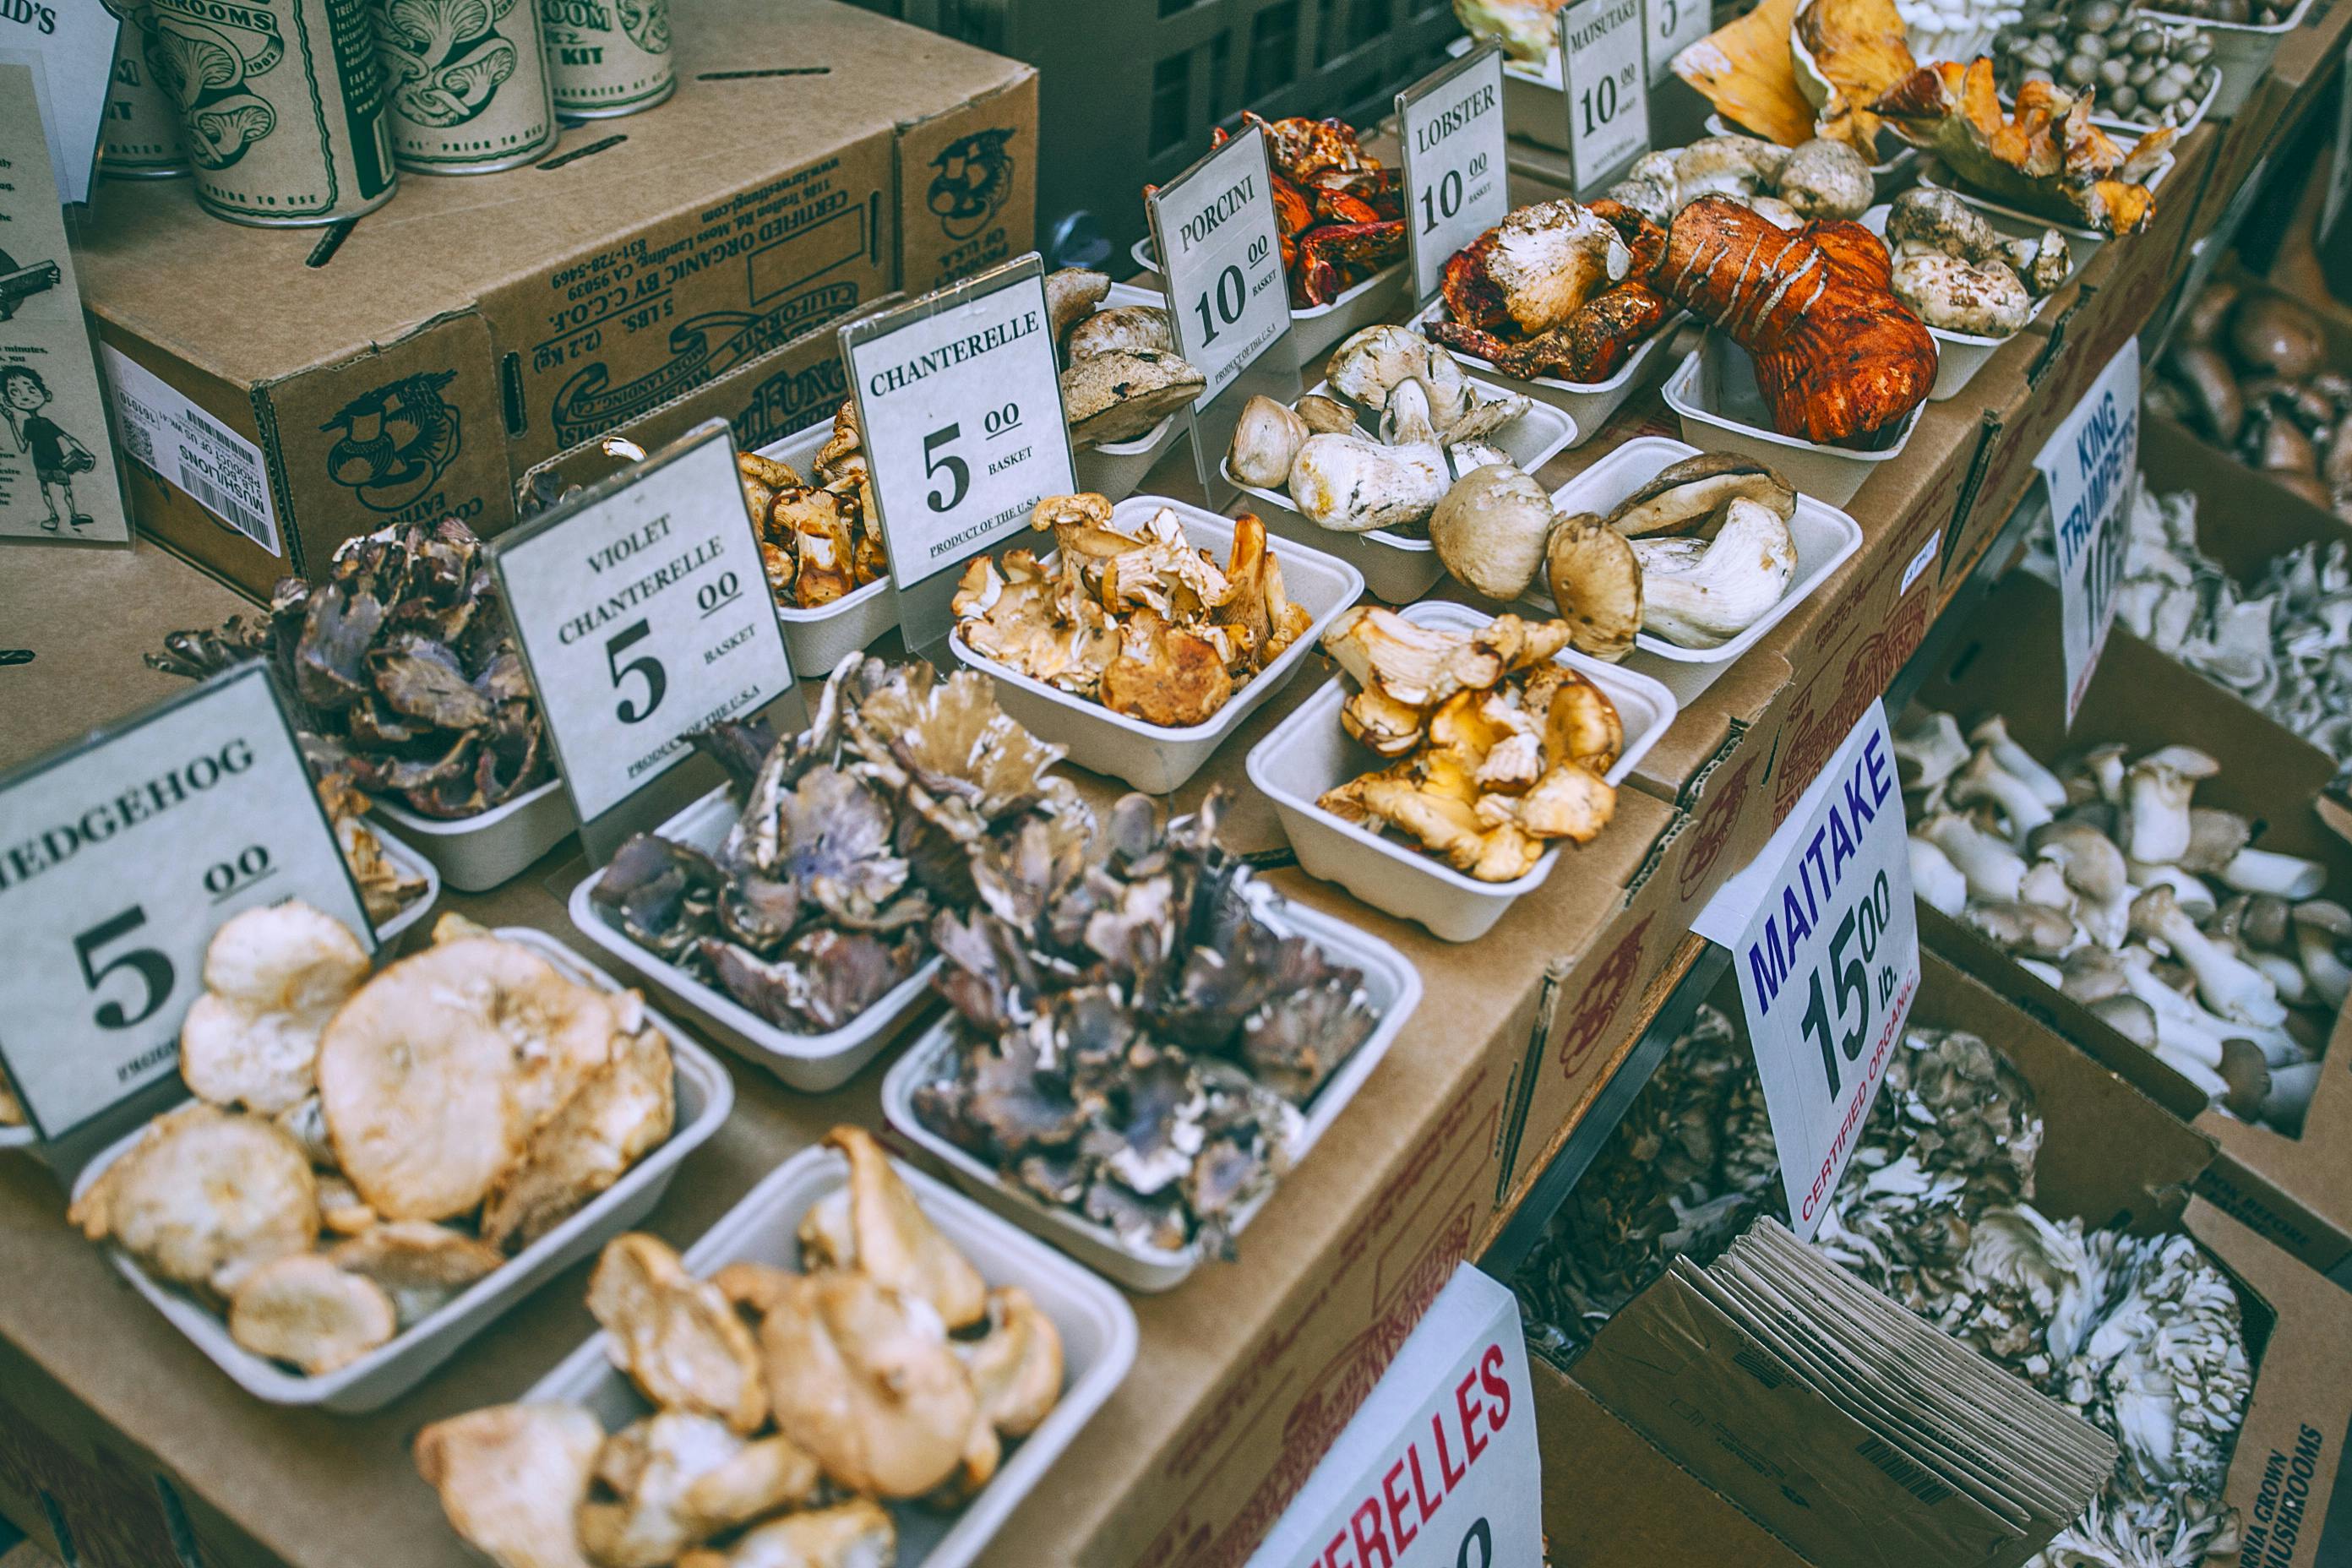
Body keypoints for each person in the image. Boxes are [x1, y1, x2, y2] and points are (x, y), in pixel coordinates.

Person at [2, 364, 96, 532]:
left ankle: (73, 515)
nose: (25, 397)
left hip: (57, 461)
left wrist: (88, 454)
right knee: (46, 490)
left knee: (66, 488)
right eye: (15, 392)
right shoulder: (27, 424)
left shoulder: (46, 422)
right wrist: (11, 422)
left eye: (31, 390)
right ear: (9, 401)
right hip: (42, 463)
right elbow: (23, 446)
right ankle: (53, 516)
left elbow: (68, 438)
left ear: (46, 395)